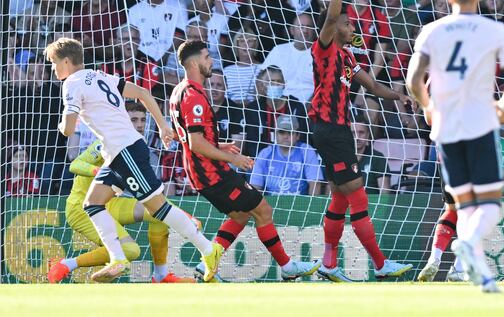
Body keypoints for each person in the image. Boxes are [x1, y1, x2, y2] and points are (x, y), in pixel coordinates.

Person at [45, 37, 222, 283]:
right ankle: (118, 259)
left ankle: (208, 249)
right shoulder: (99, 76)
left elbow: (68, 129)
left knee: (158, 208)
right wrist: (162, 125)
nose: (53, 69)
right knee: (93, 204)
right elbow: (141, 92)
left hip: (125, 150)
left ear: (66, 61)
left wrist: (62, 121)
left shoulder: (71, 84)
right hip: (116, 153)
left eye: (53, 63)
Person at [406, 0, 504, 292]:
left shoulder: (432, 30)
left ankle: (480, 273)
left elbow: (414, 81)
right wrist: (502, 103)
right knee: (489, 203)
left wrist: (428, 106)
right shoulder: (494, 30)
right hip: (479, 124)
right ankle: (468, 244)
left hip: (445, 128)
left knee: (464, 203)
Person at [169, 40, 320, 282]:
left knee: (240, 215)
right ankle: (288, 266)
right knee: (262, 209)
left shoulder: (179, 91)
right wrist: (233, 158)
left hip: (202, 171)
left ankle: (205, 264)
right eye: (207, 57)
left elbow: (187, 138)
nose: (211, 62)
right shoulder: (194, 96)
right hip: (211, 173)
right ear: (195, 62)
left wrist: (220, 145)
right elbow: (195, 143)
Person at [310, 0, 413, 282]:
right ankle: (381, 265)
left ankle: (328, 263)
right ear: (335, 27)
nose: (351, 25)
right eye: (347, 22)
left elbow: (371, 85)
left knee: (340, 196)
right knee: (358, 195)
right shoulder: (324, 49)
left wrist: (399, 95)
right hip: (329, 128)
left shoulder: (347, 58)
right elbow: (331, 18)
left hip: (337, 130)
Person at [47, 102, 195, 284]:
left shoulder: (138, 148)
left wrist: (183, 216)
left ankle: (161, 276)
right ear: (123, 120)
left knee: (159, 216)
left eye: (142, 120)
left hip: (113, 203)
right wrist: (99, 173)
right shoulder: (105, 142)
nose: (139, 124)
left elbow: (152, 197)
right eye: (134, 120)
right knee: (131, 250)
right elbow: (75, 165)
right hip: (82, 207)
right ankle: (65, 264)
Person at [414, 103, 504, 283]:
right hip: (470, 155)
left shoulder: (440, 92)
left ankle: (435, 258)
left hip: (447, 156)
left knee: (452, 209)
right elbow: (499, 114)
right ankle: (460, 266)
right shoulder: (471, 91)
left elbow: (429, 117)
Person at [250, 115, 324, 195]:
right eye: (282, 132)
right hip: (270, 203)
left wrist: (311, 206)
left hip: (301, 203)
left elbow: (315, 183)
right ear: (276, 134)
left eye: (290, 132)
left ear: (298, 135)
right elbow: (255, 186)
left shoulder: (306, 151)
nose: (286, 136)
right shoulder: (265, 153)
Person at [262, 13, 315, 102]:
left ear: (314, 31)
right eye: (301, 27)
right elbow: (261, 78)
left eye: (309, 27)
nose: (305, 30)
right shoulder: (278, 50)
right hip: (280, 106)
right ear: (292, 30)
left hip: (312, 108)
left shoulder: (322, 54)